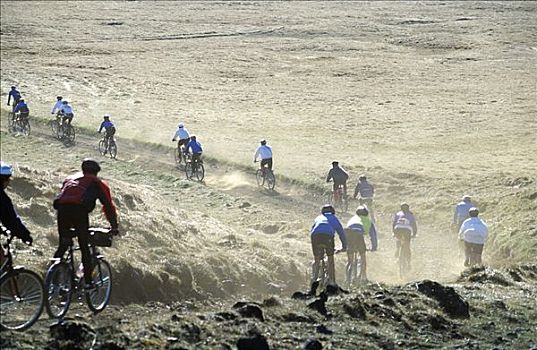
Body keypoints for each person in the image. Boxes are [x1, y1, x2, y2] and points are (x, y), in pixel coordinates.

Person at [52, 159, 118, 289]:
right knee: (84, 246)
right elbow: (108, 206)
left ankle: (53, 279)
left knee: (64, 244)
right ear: (96, 172)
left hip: (62, 210)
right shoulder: (97, 182)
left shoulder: (70, 179)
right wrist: (114, 226)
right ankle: (88, 282)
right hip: (79, 212)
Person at [310, 204, 347, 291]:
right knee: (330, 259)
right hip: (327, 236)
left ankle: (313, 279)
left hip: (315, 236)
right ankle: (332, 282)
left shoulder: (318, 218)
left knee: (317, 259)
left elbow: (312, 229)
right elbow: (341, 233)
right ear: (333, 212)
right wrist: (344, 246)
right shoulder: (334, 218)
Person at [0, 161, 33, 247]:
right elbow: (11, 220)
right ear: (3, 180)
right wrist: (25, 236)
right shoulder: (2, 198)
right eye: (8, 179)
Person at [345, 205, 378, 284]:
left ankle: (347, 279)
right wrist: (374, 247)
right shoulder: (368, 221)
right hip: (358, 235)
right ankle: (364, 277)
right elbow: (373, 236)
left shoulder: (352, 219)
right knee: (363, 257)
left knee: (350, 260)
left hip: (348, 234)